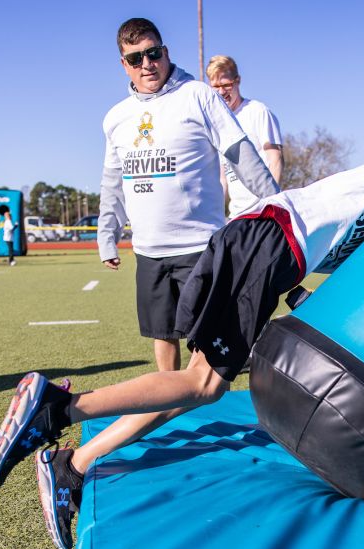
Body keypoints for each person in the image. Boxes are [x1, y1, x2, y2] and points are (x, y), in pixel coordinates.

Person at [0, 116, 364, 549]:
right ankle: (57, 408)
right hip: (265, 244)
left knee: (196, 384)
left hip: (271, 258)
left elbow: (318, 260)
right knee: (200, 385)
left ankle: (74, 464)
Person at [97, 17, 280, 373]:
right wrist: (108, 235)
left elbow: (241, 153)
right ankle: (171, 409)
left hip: (199, 246)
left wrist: (279, 205)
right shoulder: (115, 118)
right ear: (124, 65)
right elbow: (112, 183)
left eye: (153, 53)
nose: (147, 64)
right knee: (162, 335)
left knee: (211, 345)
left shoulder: (198, 95)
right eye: (136, 59)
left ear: (165, 52)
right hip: (149, 249)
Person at [206, 55, 284, 217]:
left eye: (226, 85)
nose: (221, 92)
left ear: (238, 80)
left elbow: (275, 160)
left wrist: (271, 206)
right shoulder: (217, 122)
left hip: (263, 212)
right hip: (237, 216)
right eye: (215, 86)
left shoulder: (257, 111)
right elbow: (223, 178)